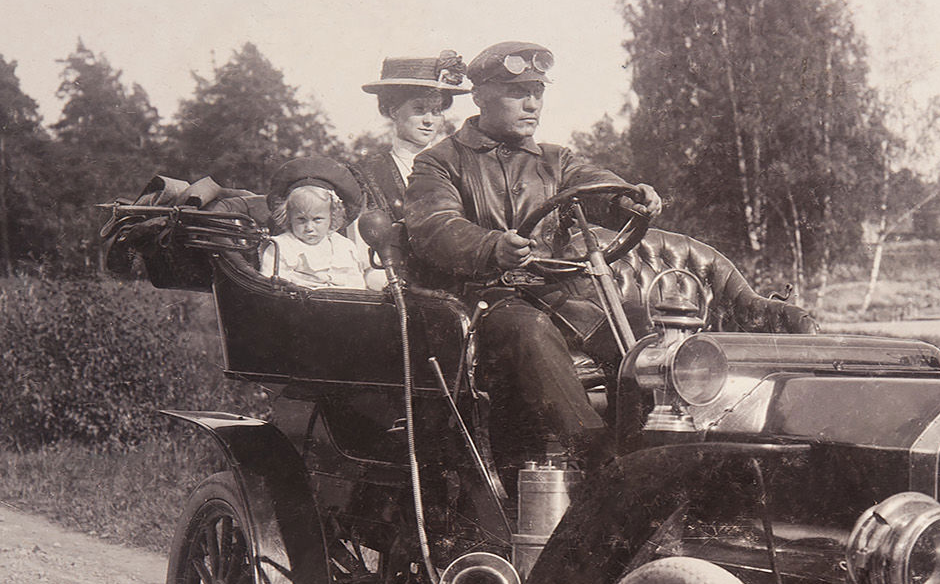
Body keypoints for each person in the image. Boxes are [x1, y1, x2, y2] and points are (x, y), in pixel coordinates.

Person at [404, 41, 662, 461]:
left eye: (537, 92)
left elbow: (596, 185)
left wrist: (630, 199)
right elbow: (435, 227)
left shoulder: (556, 160)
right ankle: (597, 459)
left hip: (558, 294)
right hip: (484, 302)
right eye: (517, 92)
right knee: (531, 330)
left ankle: (645, 455)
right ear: (481, 96)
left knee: (636, 336)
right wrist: (492, 246)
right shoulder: (440, 162)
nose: (532, 104)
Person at [355, 52, 465, 220]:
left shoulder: (456, 167)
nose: (429, 120)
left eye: (436, 111)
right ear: (394, 111)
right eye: (419, 110)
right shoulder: (369, 172)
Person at [260, 157, 385, 290]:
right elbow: (272, 284)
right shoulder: (283, 247)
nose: (309, 228)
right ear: (289, 217)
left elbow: (356, 281)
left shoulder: (344, 247)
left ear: (332, 216)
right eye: (301, 220)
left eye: (317, 219)